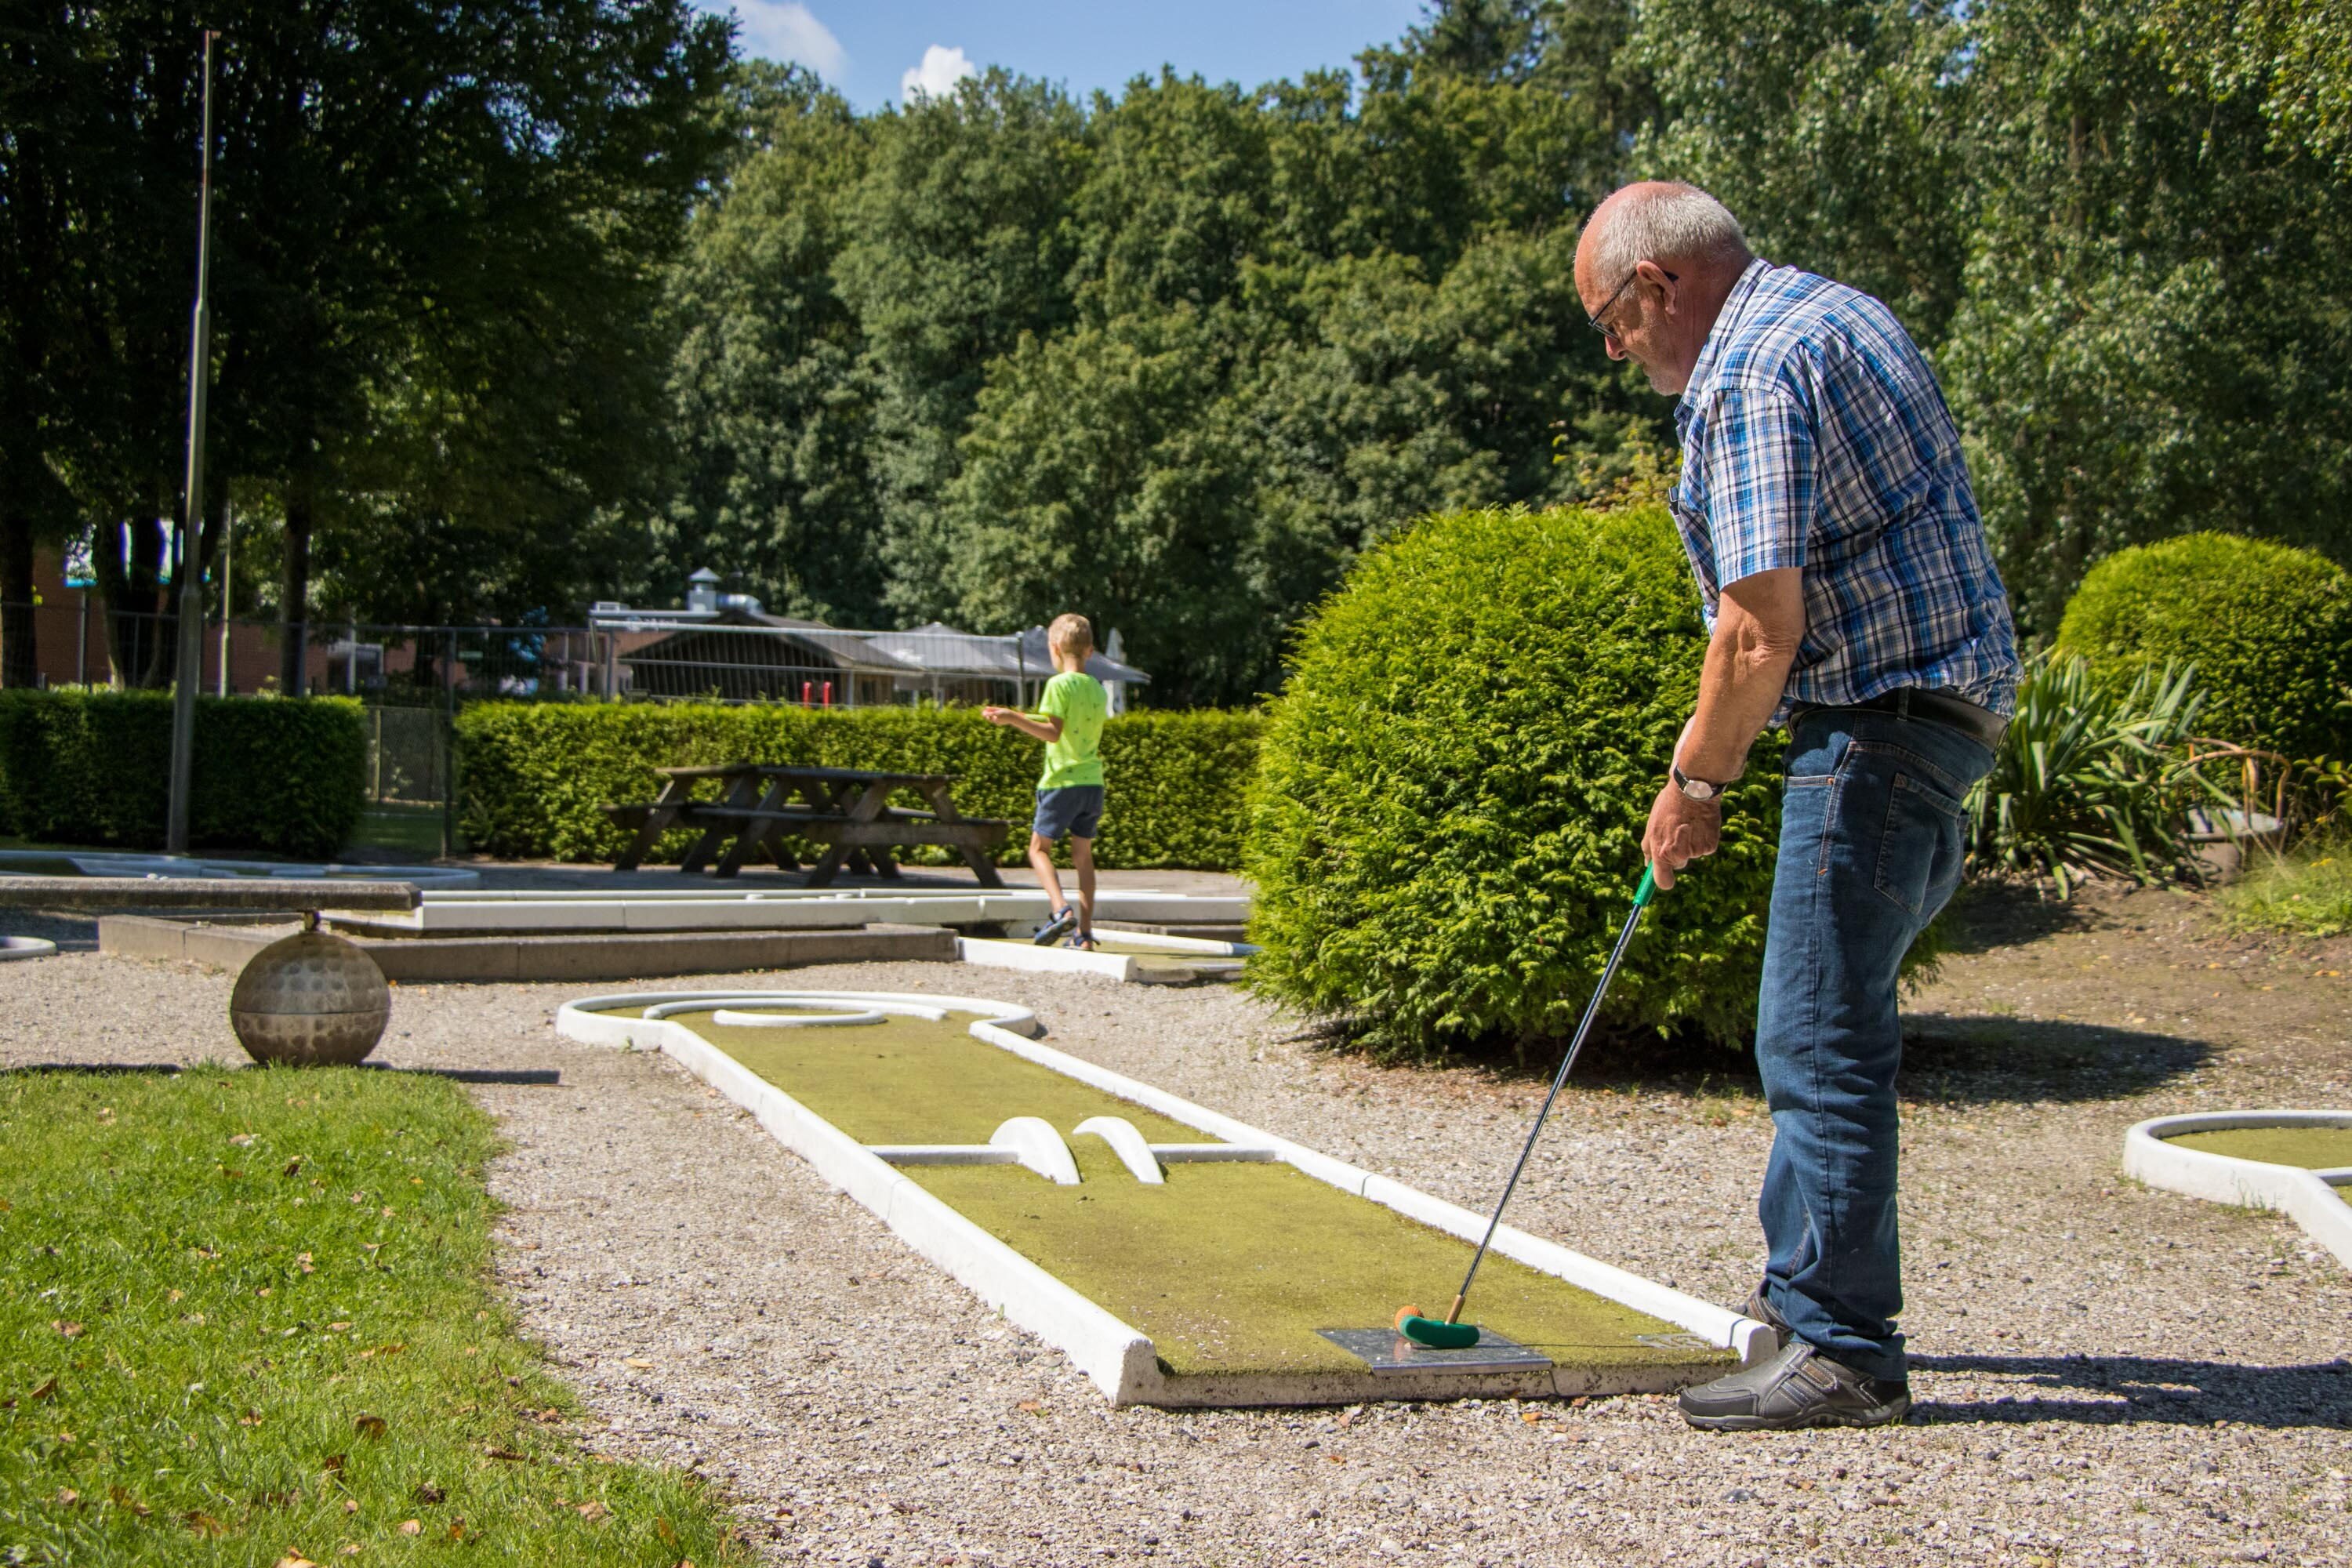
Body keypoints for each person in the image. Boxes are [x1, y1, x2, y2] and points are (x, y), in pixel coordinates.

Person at [1573, 181, 2021, 1431]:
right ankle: (1800, 1305)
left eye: (1612, 323)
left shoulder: (1752, 373)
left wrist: (1693, 786)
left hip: (1878, 725)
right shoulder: (1832, 314)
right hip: (1936, 720)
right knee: (1822, 1018)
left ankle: (1844, 1349)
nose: (1617, 352)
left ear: (1658, 284)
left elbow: (1758, 629)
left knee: (1818, 1033)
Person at [982, 613, 1109, 949]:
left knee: (1038, 850)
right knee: (1083, 858)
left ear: (1054, 648)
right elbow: (1068, 723)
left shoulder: (1057, 685)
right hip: (1092, 784)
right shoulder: (1098, 689)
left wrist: (1013, 719)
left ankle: (1060, 910)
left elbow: (1053, 732)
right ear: (1090, 651)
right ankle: (1084, 935)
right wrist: (1015, 716)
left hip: (1061, 783)